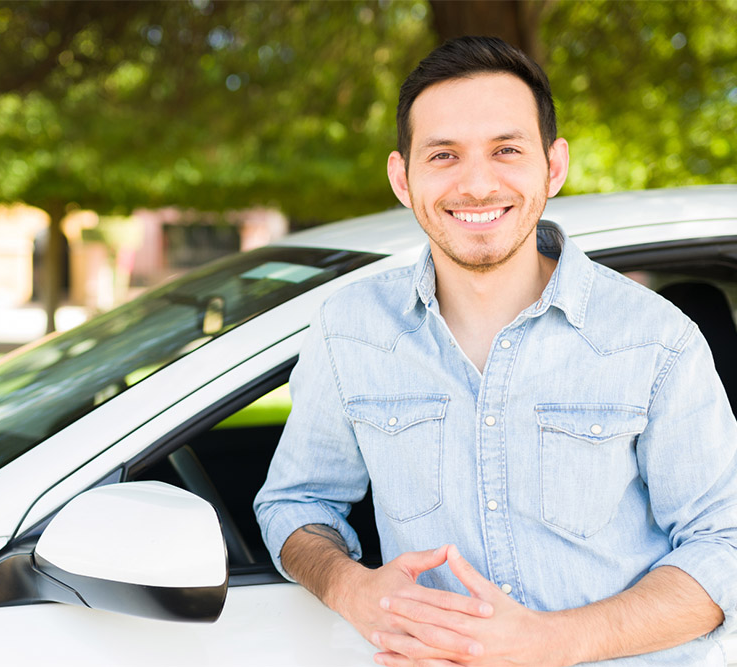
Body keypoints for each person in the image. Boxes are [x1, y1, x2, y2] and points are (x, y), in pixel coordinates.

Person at [254, 36, 737, 666]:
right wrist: (351, 588)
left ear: (553, 166)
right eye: (444, 155)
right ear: (403, 177)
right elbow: (296, 503)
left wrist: (553, 642)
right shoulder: (349, 331)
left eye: (506, 150)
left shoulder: (655, 339)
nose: (478, 184)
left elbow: (724, 543)